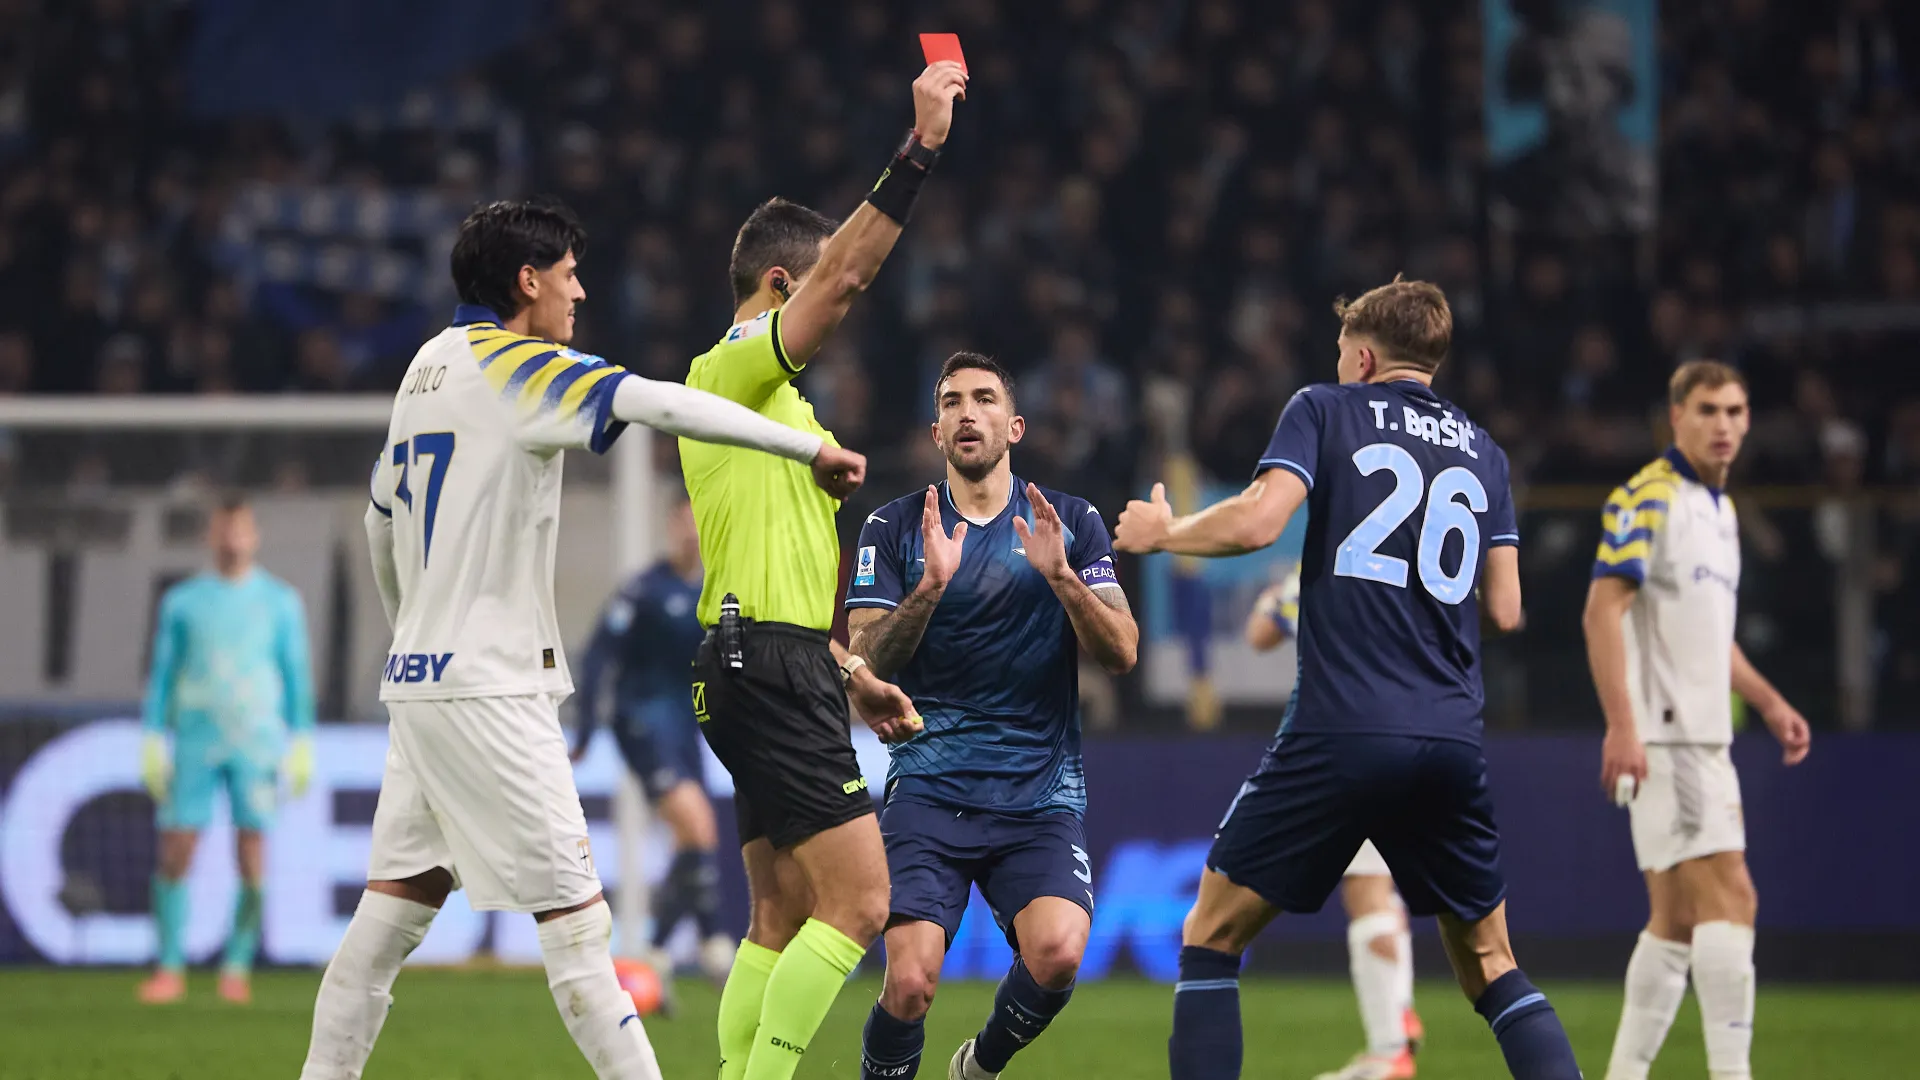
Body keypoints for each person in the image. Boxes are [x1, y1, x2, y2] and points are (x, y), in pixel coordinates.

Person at [299, 196, 868, 1080]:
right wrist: (805, 451)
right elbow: (659, 403)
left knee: (388, 920)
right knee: (578, 926)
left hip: (418, 683)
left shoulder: (426, 368)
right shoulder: (518, 364)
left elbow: (381, 521)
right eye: (568, 276)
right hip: (492, 688)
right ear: (528, 282)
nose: (581, 293)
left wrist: (414, 626)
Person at [1116, 278, 1583, 1080]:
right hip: (1450, 736)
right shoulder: (1486, 452)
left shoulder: (1326, 408)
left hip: (1344, 727)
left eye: (1341, 351)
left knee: (1211, 936)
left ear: (1363, 357)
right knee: (1492, 963)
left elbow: (1259, 521)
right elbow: (1506, 610)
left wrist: (1166, 533)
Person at [679, 60, 966, 1080]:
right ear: (776, 289)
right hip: (766, 665)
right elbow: (845, 275)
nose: (830, 315)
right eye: (808, 295)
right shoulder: (736, 370)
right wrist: (918, 150)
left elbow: (783, 578)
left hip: (760, 661)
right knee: (861, 904)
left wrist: (850, 672)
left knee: (783, 911)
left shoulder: (774, 415)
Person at [846, 353, 1139, 1080]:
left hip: (1038, 797)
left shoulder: (1069, 522)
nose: (967, 412)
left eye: (983, 399)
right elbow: (866, 659)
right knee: (909, 983)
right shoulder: (894, 525)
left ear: (1014, 426)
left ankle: (978, 1067)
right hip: (929, 790)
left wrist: (1062, 577)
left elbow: (1122, 652)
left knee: (1059, 953)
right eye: (951, 402)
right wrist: (928, 589)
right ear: (936, 431)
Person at [1583, 360, 1811, 1080]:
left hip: (1699, 735)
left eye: (1736, 411)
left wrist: (1769, 701)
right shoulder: (1650, 495)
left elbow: (1714, 637)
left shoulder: (1722, 510)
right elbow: (1601, 611)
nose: (1724, 425)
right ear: (1676, 415)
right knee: (1733, 897)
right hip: (1669, 735)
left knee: (1677, 921)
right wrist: (1623, 726)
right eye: (1708, 410)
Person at [1245, 570, 1424, 1080]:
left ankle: (1390, 1047)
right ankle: (1400, 1009)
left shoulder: (1323, 571)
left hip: (1359, 739)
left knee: (1366, 889)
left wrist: (1271, 594)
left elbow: (1259, 635)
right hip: (1430, 732)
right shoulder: (1410, 568)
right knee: (1384, 886)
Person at [137, 493, 314, 1006]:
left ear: (254, 536)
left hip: (256, 741)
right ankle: (169, 966)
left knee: (252, 850)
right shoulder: (183, 602)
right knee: (177, 846)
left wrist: (302, 738)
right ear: (210, 536)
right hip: (195, 738)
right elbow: (163, 672)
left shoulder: (280, 601)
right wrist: (152, 735)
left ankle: (237, 965)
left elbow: (295, 673)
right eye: (224, 530)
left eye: (240, 529)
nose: (232, 539)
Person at [571, 497, 734, 1004]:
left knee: (696, 838)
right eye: (683, 522)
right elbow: (598, 656)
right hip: (640, 722)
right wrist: (586, 730)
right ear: (670, 527)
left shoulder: (715, 595)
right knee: (698, 825)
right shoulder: (643, 590)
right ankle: (713, 945)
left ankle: (657, 953)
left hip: (687, 729)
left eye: (698, 524)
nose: (690, 533)